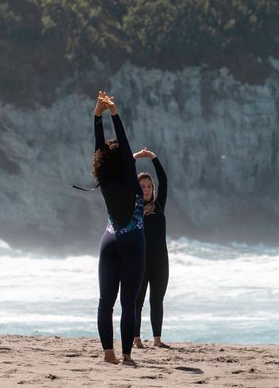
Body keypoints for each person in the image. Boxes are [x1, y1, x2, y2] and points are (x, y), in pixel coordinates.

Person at [92, 91, 146, 365]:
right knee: (128, 303)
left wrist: (97, 116)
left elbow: (100, 149)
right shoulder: (133, 184)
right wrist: (115, 113)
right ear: (127, 163)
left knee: (105, 302)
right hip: (133, 241)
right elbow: (125, 148)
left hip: (109, 240)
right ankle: (126, 355)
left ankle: (108, 354)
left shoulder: (104, 180)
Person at [132, 147, 170, 349]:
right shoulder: (134, 208)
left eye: (148, 186)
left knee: (157, 300)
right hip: (141, 261)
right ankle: (136, 339)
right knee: (137, 301)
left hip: (161, 261)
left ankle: (157, 340)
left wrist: (154, 158)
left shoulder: (159, 206)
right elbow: (124, 178)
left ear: (152, 189)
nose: (145, 189)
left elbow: (164, 180)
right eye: (142, 186)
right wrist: (135, 158)